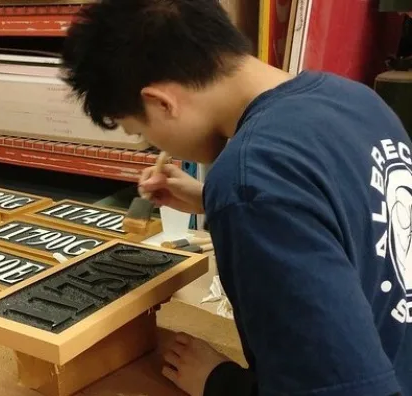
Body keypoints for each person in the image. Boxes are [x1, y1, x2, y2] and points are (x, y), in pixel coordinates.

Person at [60, 0, 412, 395]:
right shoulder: (355, 99)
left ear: (161, 102)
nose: (152, 144)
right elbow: (354, 220)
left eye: (140, 131)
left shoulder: (251, 180)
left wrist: (221, 383)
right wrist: (209, 198)